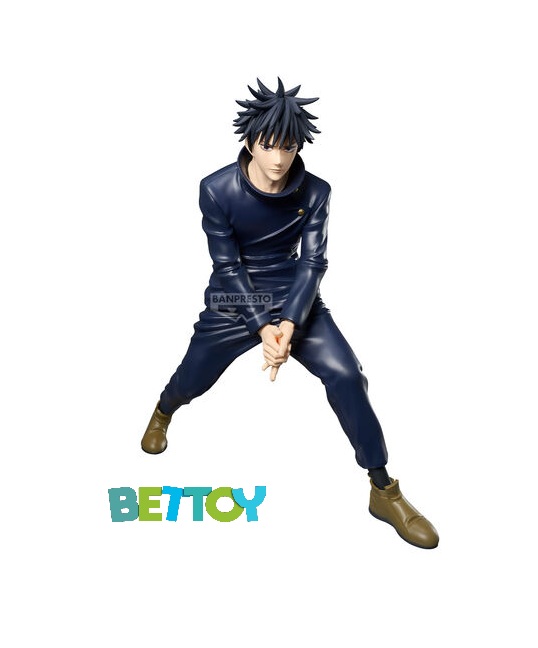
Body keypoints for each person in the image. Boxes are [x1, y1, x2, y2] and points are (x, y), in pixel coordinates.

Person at [141, 78, 439, 549]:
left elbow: (313, 262)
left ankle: (384, 490)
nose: (279, 158)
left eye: (289, 146)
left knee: (347, 374)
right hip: (233, 297)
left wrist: (289, 322)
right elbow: (227, 265)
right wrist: (262, 325)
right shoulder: (215, 189)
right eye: (268, 145)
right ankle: (163, 411)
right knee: (193, 376)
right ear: (249, 142)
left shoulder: (317, 191)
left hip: (294, 294)